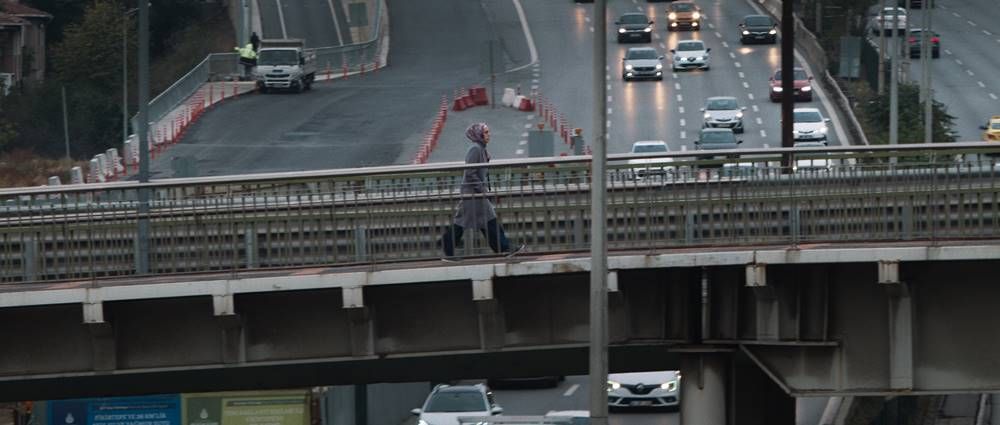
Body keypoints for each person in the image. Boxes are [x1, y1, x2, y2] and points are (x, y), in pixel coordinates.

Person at [441, 123, 525, 261]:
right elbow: (470, 173)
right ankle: (448, 249)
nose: (488, 134)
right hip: (472, 195)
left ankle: (503, 247)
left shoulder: (481, 149)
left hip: (476, 194)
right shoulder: (475, 149)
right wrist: (483, 190)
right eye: (486, 132)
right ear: (478, 134)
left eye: (488, 132)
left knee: (486, 221)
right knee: (468, 222)